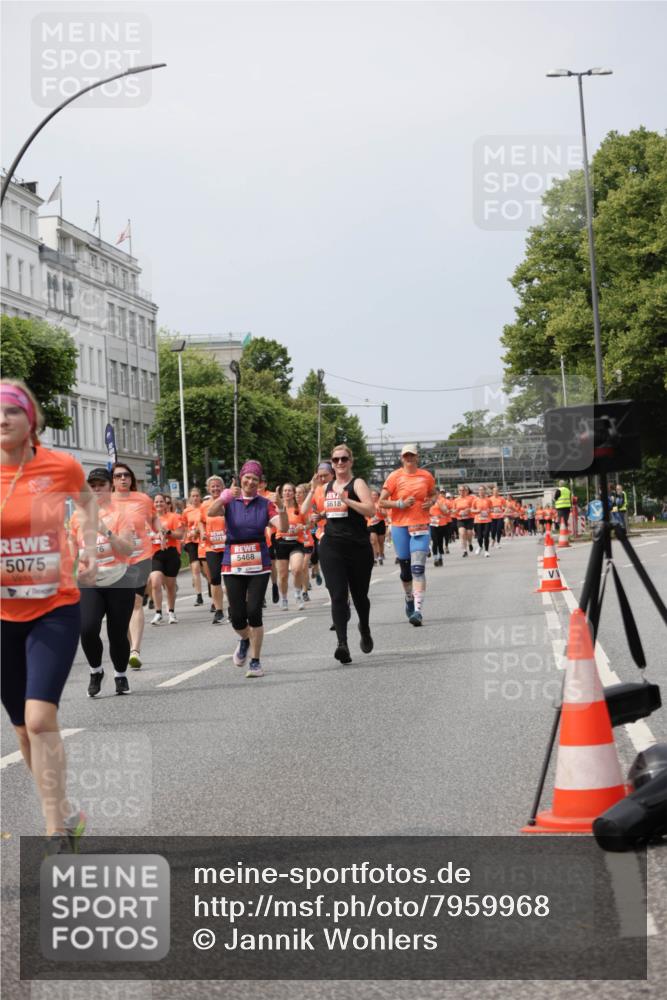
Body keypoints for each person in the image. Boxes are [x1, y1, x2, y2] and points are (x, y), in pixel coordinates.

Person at [1, 379, 97, 851]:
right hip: (2, 616)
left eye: (11, 411)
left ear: (30, 418)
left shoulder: (59, 465)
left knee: (39, 720)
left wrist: (92, 545)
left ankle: (54, 829)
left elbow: (88, 502)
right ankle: (65, 811)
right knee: (21, 729)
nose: (3, 419)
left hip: (53, 608)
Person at [208, 460, 287, 678]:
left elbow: (284, 527)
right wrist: (223, 497)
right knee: (237, 616)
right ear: (241, 478)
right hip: (232, 563)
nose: (251, 482)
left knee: (254, 612)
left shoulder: (264, 503)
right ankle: (244, 639)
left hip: (258, 564)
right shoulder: (230, 499)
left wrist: (281, 507)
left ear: (260, 482)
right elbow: (211, 513)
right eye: (247, 477)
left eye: (255, 479)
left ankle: (255, 660)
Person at [70, 469, 135, 697]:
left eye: (101, 485)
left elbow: (128, 549)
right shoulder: (78, 516)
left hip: (119, 581)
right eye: (93, 485)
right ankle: (96, 671)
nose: (96, 489)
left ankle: (120, 674)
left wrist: (106, 531)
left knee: (117, 633)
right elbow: (72, 550)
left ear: (110, 487)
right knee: (87, 629)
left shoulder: (121, 514)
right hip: (90, 582)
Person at [309, 444, 375, 661]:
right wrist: (318, 517)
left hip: (358, 547)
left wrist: (346, 499)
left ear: (350, 461)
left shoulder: (358, 483)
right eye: (335, 460)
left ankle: (364, 628)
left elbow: (370, 510)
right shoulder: (326, 487)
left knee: (359, 597)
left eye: (343, 459)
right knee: (337, 595)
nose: (339, 463)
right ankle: (342, 644)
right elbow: (323, 510)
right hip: (332, 546)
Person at [379, 444, 436, 626]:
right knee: (405, 571)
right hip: (400, 526)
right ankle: (409, 597)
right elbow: (381, 502)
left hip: (420, 525)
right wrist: (400, 504)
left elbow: (434, 495)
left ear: (417, 457)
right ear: (402, 458)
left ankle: (418, 611)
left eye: (412, 455)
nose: (409, 458)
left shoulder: (426, 476)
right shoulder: (394, 477)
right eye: (406, 456)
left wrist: (431, 502)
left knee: (418, 568)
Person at [110, 462, 159, 670]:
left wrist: (159, 531)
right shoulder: (105, 501)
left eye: (126, 475)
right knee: (124, 607)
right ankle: (129, 645)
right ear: (112, 480)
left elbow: (154, 519)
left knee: (137, 601)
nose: (123, 479)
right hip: (115, 560)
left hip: (140, 555)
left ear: (131, 479)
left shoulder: (143, 499)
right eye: (118, 476)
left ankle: (135, 650)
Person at [149, 492, 184, 624]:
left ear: (166, 503)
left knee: (170, 586)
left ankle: (171, 612)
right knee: (156, 582)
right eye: (156, 502)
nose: (158, 504)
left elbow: (180, 535)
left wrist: (168, 532)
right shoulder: (149, 520)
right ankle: (158, 613)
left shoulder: (174, 517)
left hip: (171, 554)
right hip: (156, 554)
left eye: (161, 501)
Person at [274, 483, 307, 610]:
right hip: (281, 542)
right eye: (285, 491)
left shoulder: (299, 508)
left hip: (296, 542)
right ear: (282, 493)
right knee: (282, 575)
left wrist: (302, 527)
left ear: (293, 493)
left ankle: (298, 595)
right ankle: (284, 598)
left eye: (290, 491)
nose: (287, 493)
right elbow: (270, 523)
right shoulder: (277, 507)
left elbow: (309, 524)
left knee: (297, 569)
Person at [200, 475, 227, 624]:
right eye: (213, 486)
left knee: (231, 578)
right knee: (215, 578)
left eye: (218, 486)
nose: (215, 488)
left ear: (223, 488)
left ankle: (235, 607)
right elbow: (201, 522)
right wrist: (203, 532)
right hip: (212, 547)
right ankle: (219, 611)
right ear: (208, 489)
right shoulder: (205, 505)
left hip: (228, 546)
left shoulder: (228, 503)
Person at [182, 486, 205, 606]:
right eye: (193, 496)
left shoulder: (204, 508)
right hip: (191, 541)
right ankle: (199, 596)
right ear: (190, 498)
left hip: (203, 541)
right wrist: (184, 539)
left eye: (197, 496)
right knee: (195, 568)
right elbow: (184, 526)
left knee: (206, 570)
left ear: (200, 496)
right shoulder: (186, 511)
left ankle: (212, 587)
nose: (195, 498)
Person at [453, 483, 475, 558]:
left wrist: (467, 510)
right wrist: (456, 511)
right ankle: (464, 551)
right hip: (460, 519)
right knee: (462, 533)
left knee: (469, 533)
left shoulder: (471, 498)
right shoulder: (456, 500)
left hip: (469, 518)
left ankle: (470, 543)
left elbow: (473, 507)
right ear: (458, 491)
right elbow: (453, 509)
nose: (462, 492)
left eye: (463, 490)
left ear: (466, 491)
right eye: (460, 490)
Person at [367, 489, 387, 565]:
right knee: (373, 541)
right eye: (372, 495)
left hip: (380, 523)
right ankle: (374, 558)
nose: (374, 496)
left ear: (378, 496)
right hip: (371, 524)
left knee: (380, 542)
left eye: (375, 495)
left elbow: (385, 514)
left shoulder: (381, 504)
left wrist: (380, 511)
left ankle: (380, 556)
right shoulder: (369, 504)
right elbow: (365, 514)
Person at [472, 485, 493, 557]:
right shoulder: (475, 500)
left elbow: (492, 509)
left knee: (486, 535)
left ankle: (486, 551)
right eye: (479, 490)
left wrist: (489, 510)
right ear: (478, 492)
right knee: (479, 537)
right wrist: (477, 510)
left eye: (482, 490)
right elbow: (472, 509)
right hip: (478, 520)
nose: (481, 491)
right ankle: (480, 546)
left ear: (485, 491)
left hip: (487, 520)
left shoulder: (488, 500)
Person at [429, 489, 449, 566]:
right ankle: (435, 558)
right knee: (435, 541)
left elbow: (446, 511)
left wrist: (440, 507)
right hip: (433, 524)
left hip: (441, 524)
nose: (435, 495)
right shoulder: (429, 502)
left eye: (436, 494)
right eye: (433, 494)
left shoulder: (441, 501)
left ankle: (440, 556)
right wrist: (432, 516)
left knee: (440, 541)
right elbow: (425, 512)